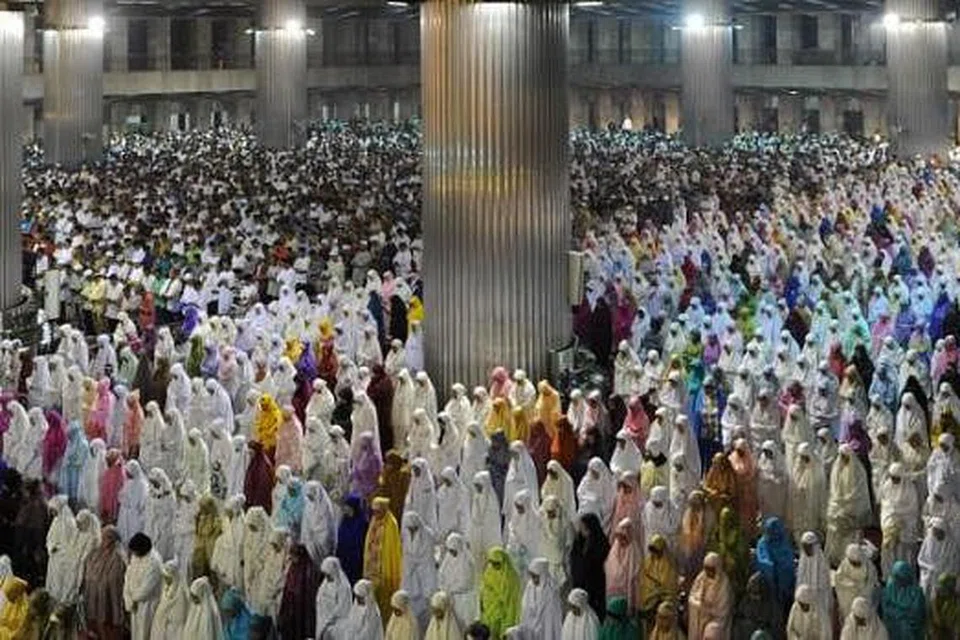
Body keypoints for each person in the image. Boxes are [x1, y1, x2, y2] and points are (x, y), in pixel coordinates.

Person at [83, 525, 126, 640]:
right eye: (103, 537)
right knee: (94, 618)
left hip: (108, 593)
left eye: (107, 537)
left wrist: (101, 581)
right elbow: (88, 565)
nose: (104, 540)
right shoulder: (96, 552)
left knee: (108, 622)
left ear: (113, 539)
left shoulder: (118, 556)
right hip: (94, 591)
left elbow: (114, 577)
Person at [364, 496, 403, 620]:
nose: (376, 514)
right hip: (372, 568)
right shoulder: (373, 521)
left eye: (378, 511)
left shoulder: (391, 524)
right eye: (374, 511)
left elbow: (393, 550)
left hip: (384, 569)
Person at [123, 532, 163, 640]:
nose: (133, 554)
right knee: (135, 633)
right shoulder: (135, 556)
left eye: (135, 551)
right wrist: (128, 598)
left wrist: (134, 598)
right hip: (134, 604)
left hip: (148, 605)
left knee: (145, 633)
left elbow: (147, 588)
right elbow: (128, 575)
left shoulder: (154, 561)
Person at [688, 552, 734, 640]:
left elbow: (723, 611)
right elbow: (691, 596)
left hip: (714, 623)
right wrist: (698, 604)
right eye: (706, 568)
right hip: (699, 619)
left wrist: (709, 610)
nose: (708, 572)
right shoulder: (701, 577)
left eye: (710, 569)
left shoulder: (723, 584)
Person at [479, 547, 521, 638]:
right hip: (489, 611)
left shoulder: (511, 577)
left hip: (504, 612)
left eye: (496, 563)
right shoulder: (489, 571)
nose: (494, 565)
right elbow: (483, 588)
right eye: (492, 562)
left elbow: (511, 599)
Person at [880, 560, 926, 640]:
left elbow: (917, 614)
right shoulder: (890, 587)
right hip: (892, 629)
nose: (898, 580)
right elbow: (885, 607)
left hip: (910, 632)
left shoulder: (916, 592)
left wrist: (899, 615)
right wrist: (901, 614)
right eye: (896, 577)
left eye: (901, 578)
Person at [520, 558, 563, 638]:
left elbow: (553, 616)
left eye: (535, 576)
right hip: (532, 626)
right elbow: (526, 607)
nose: (533, 579)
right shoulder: (530, 586)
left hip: (546, 627)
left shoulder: (551, 589)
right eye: (532, 576)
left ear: (542, 574)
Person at [315, 556, 353, 640]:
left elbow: (343, 607)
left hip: (337, 623)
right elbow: (319, 599)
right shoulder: (324, 584)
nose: (327, 577)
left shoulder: (343, 586)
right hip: (324, 619)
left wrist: (330, 618)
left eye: (328, 574)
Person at [150, 560, 189, 640]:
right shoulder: (165, 589)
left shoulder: (181, 592)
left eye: (168, 577)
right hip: (163, 628)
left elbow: (179, 616)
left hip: (175, 630)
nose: (166, 580)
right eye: (165, 577)